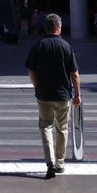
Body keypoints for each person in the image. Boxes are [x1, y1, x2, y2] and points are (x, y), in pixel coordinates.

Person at [26, 13, 81, 179]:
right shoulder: (66, 46)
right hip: (63, 95)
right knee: (62, 128)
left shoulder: (39, 46)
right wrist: (77, 94)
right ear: (59, 27)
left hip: (43, 95)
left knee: (45, 126)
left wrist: (37, 86)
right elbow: (75, 74)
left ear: (46, 28)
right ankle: (60, 163)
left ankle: (49, 161)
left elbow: (31, 71)